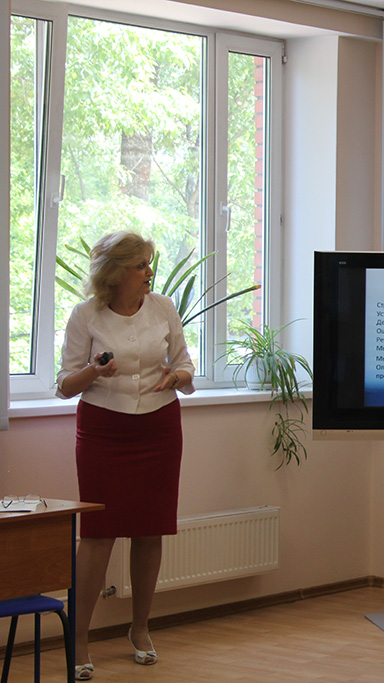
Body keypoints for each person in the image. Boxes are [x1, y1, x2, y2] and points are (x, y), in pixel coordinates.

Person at [56, 231, 195, 681]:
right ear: (116, 274)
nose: (149, 272)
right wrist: (94, 371)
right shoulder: (85, 315)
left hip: (159, 426)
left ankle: (140, 629)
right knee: (98, 534)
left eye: (149, 263)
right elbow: (65, 385)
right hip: (104, 430)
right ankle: (79, 639)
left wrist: (176, 377)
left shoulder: (164, 308)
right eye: (141, 265)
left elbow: (185, 365)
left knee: (150, 530)